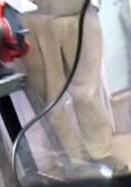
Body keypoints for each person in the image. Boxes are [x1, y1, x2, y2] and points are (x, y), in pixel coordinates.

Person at [22, 0, 124, 172]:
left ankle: (100, 151)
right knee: (52, 97)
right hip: (35, 15)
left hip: (81, 10)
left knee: (89, 91)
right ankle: (71, 161)